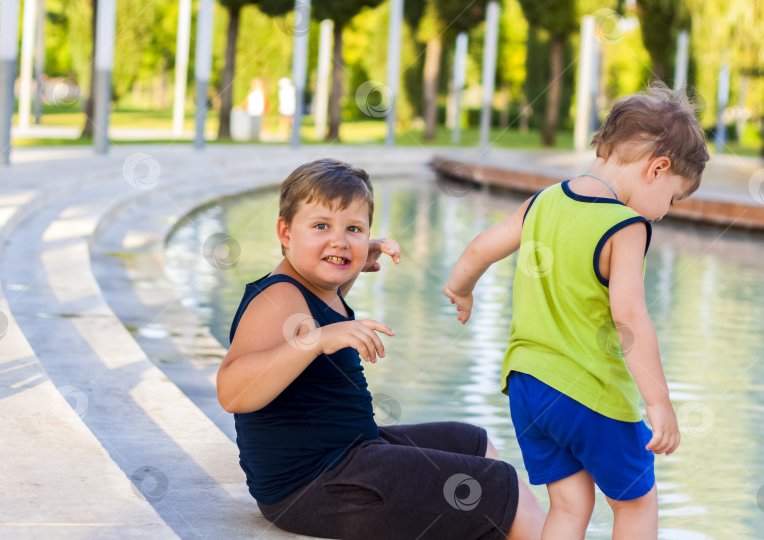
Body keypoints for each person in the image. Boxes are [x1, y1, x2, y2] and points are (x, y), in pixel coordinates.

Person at [217, 159, 545, 540]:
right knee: (504, 487)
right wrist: (319, 340)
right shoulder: (278, 297)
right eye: (321, 226)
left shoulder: (310, 287)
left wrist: (351, 260)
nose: (339, 240)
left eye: (353, 229)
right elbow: (231, 391)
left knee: (472, 441)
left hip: (346, 454)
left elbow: (318, 309)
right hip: (318, 485)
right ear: (285, 232)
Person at [444, 83, 710, 539]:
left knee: (569, 506)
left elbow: (480, 249)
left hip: (528, 388)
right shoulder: (625, 226)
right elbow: (630, 320)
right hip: (591, 394)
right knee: (636, 504)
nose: (665, 212)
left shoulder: (543, 201)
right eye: (672, 198)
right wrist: (658, 402)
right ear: (657, 168)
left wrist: (460, 289)